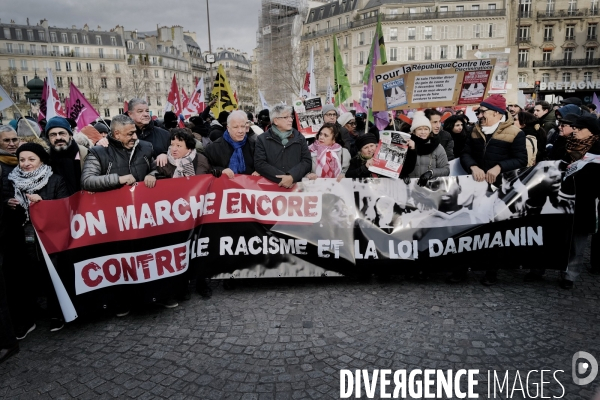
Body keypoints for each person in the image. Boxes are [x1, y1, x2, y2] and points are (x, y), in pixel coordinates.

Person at [459, 94, 527, 286]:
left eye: (483, 112)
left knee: (494, 231)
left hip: (501, 190)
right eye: (479, 112)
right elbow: (465, 154)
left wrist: (499, 167)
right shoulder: (474, 130)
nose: (479, 115)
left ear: (497, 114)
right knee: (468, 229)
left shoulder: (515, 133)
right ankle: (462, 268)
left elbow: (521, 159)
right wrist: (473, 167)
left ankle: (491, 271)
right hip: (474, 189)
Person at [5, 143, 69, 335]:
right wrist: (7, 203)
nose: (26, 164)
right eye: (22, 160)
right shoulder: (11, 181)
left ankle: (57, 313)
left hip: (49, 237)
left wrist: (43, 204)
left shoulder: (55, 180)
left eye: (31, 159)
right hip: (21, 237)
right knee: (28, 277)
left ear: (41, 160)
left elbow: (64, 207)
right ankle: (32, 314)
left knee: (51, 275)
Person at [81, 114, 158, 193]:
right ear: (117, 134)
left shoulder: (145, 147)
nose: (135, 137)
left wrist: (152, 175)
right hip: (112, 203)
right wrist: (119, 179)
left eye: (135, 132)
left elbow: (156, 169)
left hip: (141, 201)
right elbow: (87, 181)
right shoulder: (98, 153)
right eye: (130, 134)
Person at [254, 105, 311, 188]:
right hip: (271, 189)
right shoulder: (262, 139)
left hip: (295, 190)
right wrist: (283, 178)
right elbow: (260, 164)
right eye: (286, 117)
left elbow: (306, 161)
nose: (291, 119)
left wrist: (292, 176)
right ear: (276, 121)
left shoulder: (299, 137)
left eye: (291, 116)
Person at [205, 110, 257, 177]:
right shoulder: (213, 148)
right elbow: (206, 168)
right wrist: (221, 170)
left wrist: (259, 171)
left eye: (242, 126)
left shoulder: (254, 145)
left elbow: (263, 164)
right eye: (236, 127)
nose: (240, 131)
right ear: (228, 128)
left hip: (248, 186)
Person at [44, 116, 89, 195]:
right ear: (48, 139)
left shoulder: (86, 154)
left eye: (62, 133)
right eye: (53, 135)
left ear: (70, 135)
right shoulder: (44, 159)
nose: (58, 138)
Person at [405, 111, 450, 185]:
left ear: (429, 131)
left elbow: (446, 170)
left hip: (430, 188)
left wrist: (431, 173)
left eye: (426, 129)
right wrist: (402, 174)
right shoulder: (407, 144)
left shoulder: (437, 147)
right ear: (414, 131)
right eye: (419, 129)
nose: (423, 132)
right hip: (409, 187)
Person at [126, 98, 170, 164]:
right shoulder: (121, 135)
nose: (146, 114)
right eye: (140, 111)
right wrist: (105, 140)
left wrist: (166, 155)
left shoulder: (165, 134)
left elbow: (177, 155)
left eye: (147, 111)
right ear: (130, 114)